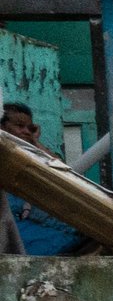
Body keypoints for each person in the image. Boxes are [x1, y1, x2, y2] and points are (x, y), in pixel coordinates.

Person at [2, 103, 86, 256]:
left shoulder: (29, 154)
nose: (26, 131)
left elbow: (63, 173)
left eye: (30, 128)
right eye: (20, 126)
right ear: (2, 127)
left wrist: (34, 141)